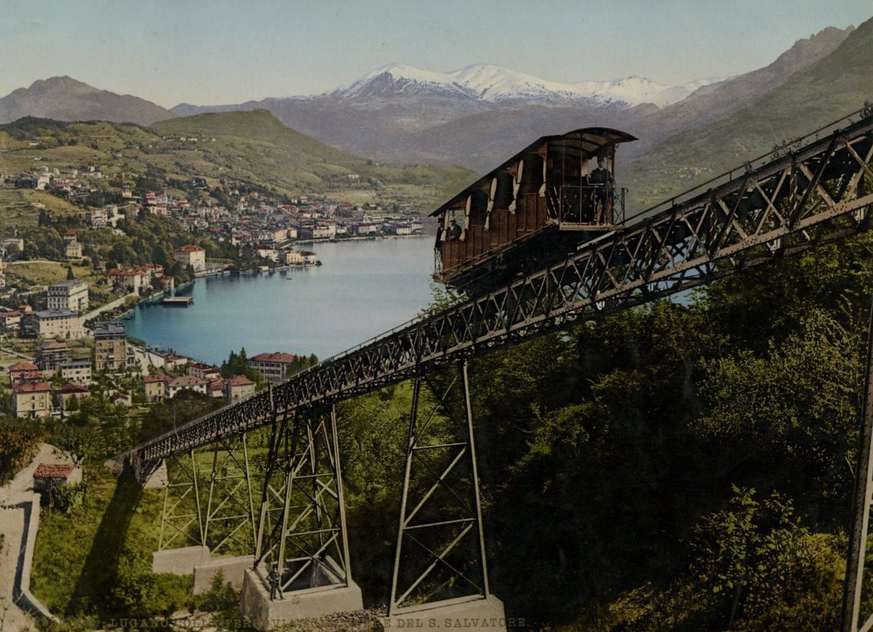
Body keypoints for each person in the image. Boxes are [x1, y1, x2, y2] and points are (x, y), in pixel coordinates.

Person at [588, 156, 614, 222]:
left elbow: (612, 179)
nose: (601, 163)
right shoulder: (594, 172)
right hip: (596, 191)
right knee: (594, 205)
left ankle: (602, 220)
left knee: (604, 206)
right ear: (598, 163)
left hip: (604, 191)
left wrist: (613, 185)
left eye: (602, 162)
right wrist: (588, 177)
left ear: (604, 163)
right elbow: (590, 180)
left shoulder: (607, 172)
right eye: (599, 162)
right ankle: (594, 219)